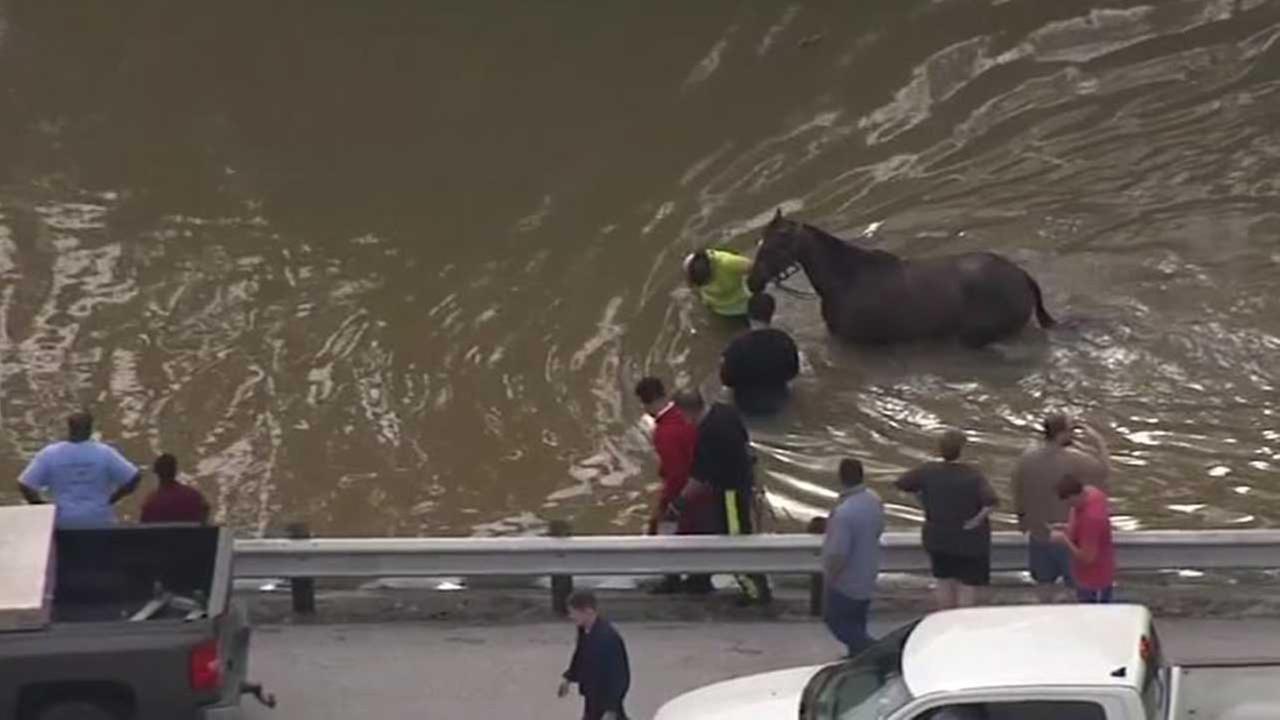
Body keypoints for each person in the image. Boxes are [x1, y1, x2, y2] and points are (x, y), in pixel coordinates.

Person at [674, 389, 772, 605]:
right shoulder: (725, 412)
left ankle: (755, 592)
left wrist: (680, 501)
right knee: (739, 536)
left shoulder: (708, 433)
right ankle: (708, 579)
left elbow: (700, 476)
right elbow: (746, 447)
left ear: (688, 412)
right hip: (743, 484)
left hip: (730, 494)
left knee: (735, 541)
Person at [1012, 413, 1111, 603]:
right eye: (1071, 430)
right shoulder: (1075, 459)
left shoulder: (1026, 458)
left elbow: (1017, 489)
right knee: (1076, 590)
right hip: (1068, 536)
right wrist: (1099, 442)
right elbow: (1104, 472)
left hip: (1039, 533)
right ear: (1062, 434)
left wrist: (1022, 519)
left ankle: (1047, 622)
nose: (1073, 435)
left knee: (1043, 587)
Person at [895, 429, 998, 610]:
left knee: (943, 581)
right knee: (967, 586)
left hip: (938, 537)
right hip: (968, 541)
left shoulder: (927, 470)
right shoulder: (973, 475)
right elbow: (991, 502)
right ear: (963, 450)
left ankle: (945, 620)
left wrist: (922, 501)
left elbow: (902, 483)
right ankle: (962, 625)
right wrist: (976, 520)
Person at [633, 377, 712, 594]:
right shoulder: (685, 416)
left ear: (646, 403)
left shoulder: (664, 432)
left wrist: (668, 504)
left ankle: (672, 579)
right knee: (698, 535)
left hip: (684, 492)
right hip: (705, 488)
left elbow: (676, 473)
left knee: (665, 532)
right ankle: (700, 580)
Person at [16, 411, 141, 528]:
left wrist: (43, 508)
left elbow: (25, 484)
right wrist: (112, 499)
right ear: (90, 429)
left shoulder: (50, 454)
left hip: (63, 521)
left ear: (69, 428)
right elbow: (134, 477)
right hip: (99, 520)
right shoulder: (104, 453)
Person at [821, 458, 885, 657]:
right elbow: (879, 529)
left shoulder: (843, 513)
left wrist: (830, 578)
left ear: (840, 478)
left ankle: (875, 652)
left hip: (846, 579)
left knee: (836, 621)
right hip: (868, 570)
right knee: (857, 620)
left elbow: (838, 552)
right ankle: (857, 655)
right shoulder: (874, 500)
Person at [719, 292, 800, 415]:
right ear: (771, 314)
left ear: (748, 314)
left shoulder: (737, 345)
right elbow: (793, 372)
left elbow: (726, 380)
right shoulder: (785, 341)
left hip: (744, 404)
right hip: (778, 402)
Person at [558, 591, 630, 720]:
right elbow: (580, 656)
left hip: (606, 699)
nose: (571, 616)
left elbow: (619, 675)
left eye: (573, 612)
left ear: (588, 611)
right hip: (592, 696)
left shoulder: (608, 638)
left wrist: (611, 709)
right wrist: (568, 678)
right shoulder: (584, 630)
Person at [1051, 475, 1115, 604]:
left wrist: (1064, 541)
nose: (1070, 506)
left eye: (1070, 503)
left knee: (1093, 616)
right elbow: (1079, 518)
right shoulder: (1093, 493)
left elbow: (1088, 558)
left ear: (1076, 496)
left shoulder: (1091, 519)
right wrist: (1068, 528)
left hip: (1094, 580)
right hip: (1091, 573)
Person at [139, 453, 211, 524]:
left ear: (156, 472)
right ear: (175, 470)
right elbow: (205, 509)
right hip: (191, 535)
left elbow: (144, 525)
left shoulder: (151, 502)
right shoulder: (194, 496)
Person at [684, 248, 752, 319]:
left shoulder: (728, 262)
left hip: (743, 301)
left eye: (708, 280)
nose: (708, 284)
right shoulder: (690, 266)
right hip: (718, 308)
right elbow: (692, 286)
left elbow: (753, 267)